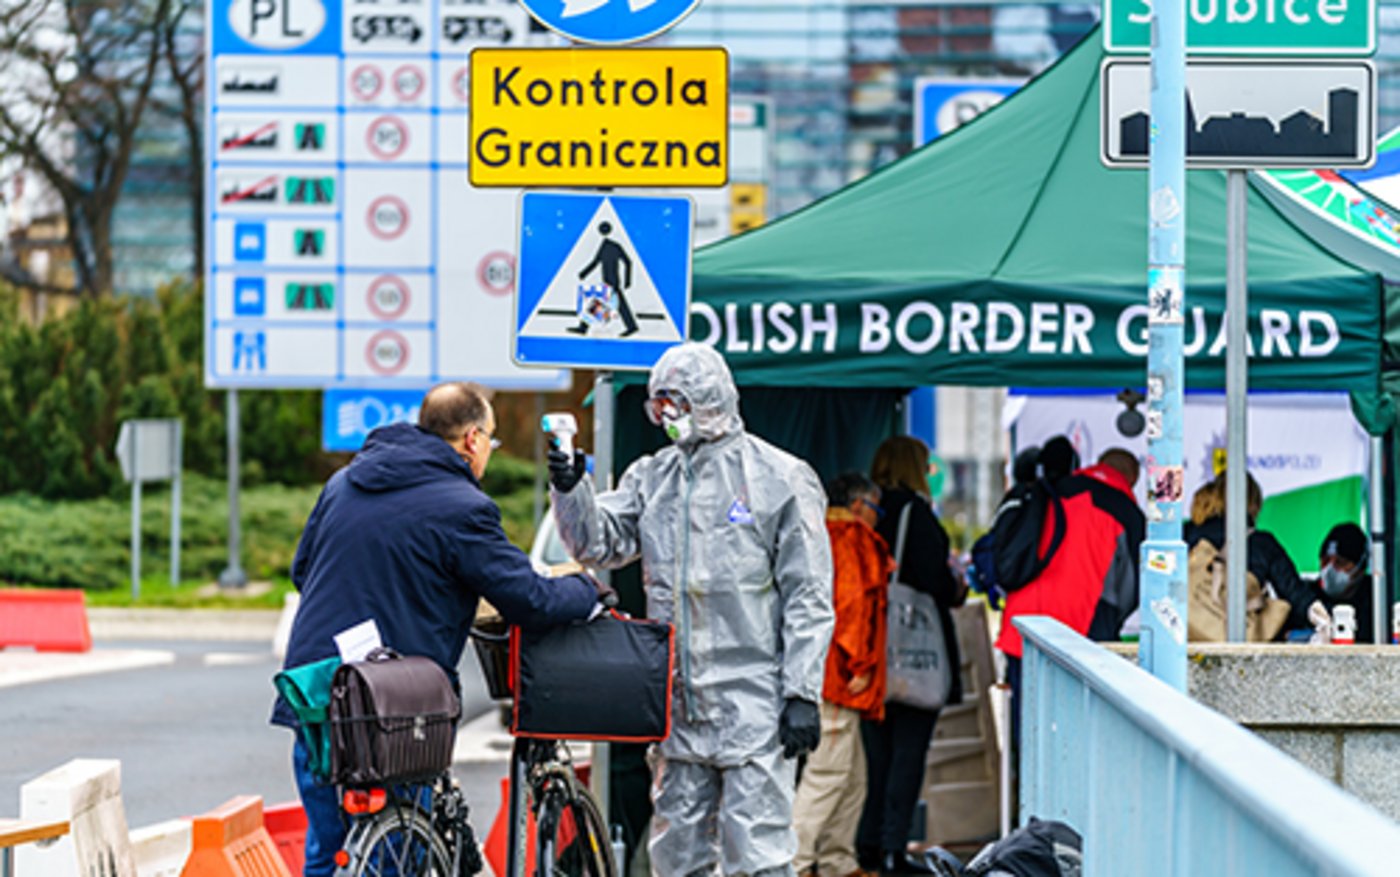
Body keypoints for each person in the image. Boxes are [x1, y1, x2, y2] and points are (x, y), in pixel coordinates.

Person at [272, 382, 606, 877]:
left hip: (318, 692)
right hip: (396, 710)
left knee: (327, 850)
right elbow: (529, 599)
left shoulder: (343, 484)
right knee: (395, 856)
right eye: (491, 442)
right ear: (472, 439)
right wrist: (588, 591)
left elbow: (304, 570)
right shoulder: (462, 507)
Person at [548, 342, 834, 877]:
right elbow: (599, 543)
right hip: (679, 703)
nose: (666, 416)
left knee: (759, 853)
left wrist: (801, 691)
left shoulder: (778, 477)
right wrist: (571, 490)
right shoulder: (654, 477)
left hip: (755, 701)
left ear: (709, 398)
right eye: (658, 405)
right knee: (677, 853)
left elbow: (808, 593)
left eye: (675, 402)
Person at [857, 436, 964, 876]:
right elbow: (935, 583)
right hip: (912, 654)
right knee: (908, 754)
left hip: (869, 650)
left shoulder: (867, 514)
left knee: (876, 757)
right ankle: (892, 850)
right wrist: (955, 584)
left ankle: (867, 844)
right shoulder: (916, 516)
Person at [995, 441, 1145, 748]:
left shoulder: (1050, 490)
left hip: (1021, 628)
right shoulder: (1126, 512)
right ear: (1131, 478)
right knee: (1074, 735)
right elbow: (1132, 588)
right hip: (1081, 633)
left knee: (1029, 730)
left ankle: (1024, 792)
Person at [793, 473, 894, 877]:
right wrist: (861, 664)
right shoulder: (853, 539)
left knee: (851, 778)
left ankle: (838, 860)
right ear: (859, 505)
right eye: (876, 509)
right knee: (828, 775)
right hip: (838, 676)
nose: (876, 518)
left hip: (815, 668)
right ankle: (794, 864)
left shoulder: (812, 533)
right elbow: (852, 604)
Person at [1183, 472, 1317, 636]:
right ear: (1252, 504)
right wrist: (1316, 610)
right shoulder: (1261, 542)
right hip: (1236, 642)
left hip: (1184, 641)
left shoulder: (1186, 534)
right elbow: (1293, 592)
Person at [1312, 522, 1376, 644]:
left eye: (1340, 563)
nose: (1330, 570)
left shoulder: (1376, 602)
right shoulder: (1307, 599)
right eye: (1325, 561)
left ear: (1360, 567)